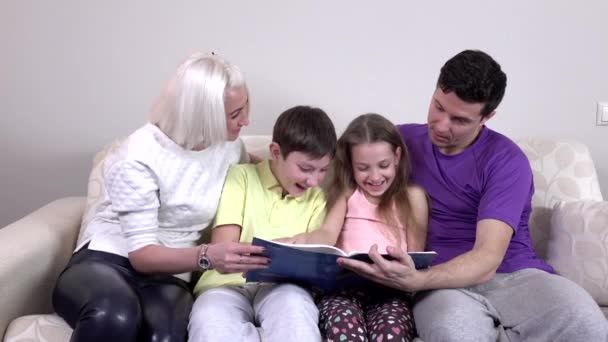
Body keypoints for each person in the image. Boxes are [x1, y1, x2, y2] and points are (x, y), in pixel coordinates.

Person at [339, 49, 608, 341]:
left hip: (516, 276)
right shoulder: (398, 144)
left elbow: (487, 258)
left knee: (587, 322)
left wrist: (417, 279)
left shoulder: (506, 161)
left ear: (487, 116)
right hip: (443, 286)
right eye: (438, 107)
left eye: (459, 119)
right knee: (454, 333)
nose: (441, 125)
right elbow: (330, 166)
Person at [52, 52, 270, 342]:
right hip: (109, 260)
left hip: (170, 276)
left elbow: (269, 172)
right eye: (235, 114)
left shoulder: (228, 147)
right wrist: (207, 256)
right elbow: (142, 255)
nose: (246, 120)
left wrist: (328, 179)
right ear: (201, 116)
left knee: (164, 335)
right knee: (115, 315)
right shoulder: (138, 155)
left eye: (245, 107)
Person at [188, 105, 338, 342]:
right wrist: (278, 250)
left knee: (295, 312)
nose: (313, 180)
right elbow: (224, 246)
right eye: (306, 168)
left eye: (323, 171)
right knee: (210, 320)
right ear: (275, 152)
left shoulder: (318, 199)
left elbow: (314, 256)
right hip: (224, 285)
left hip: (283, 288)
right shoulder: (242, 177)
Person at [284, 113, 429, 342]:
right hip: (342, 290)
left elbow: (415, 256)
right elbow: (326, 234)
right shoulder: (348, 193)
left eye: (383, 165)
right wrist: (295, 241)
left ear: (397, 156)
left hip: (391, 292)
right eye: (363, 168)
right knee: (344, 332)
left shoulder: (412, 197)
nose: (374, 176)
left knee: (391, 335)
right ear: (350, 165)